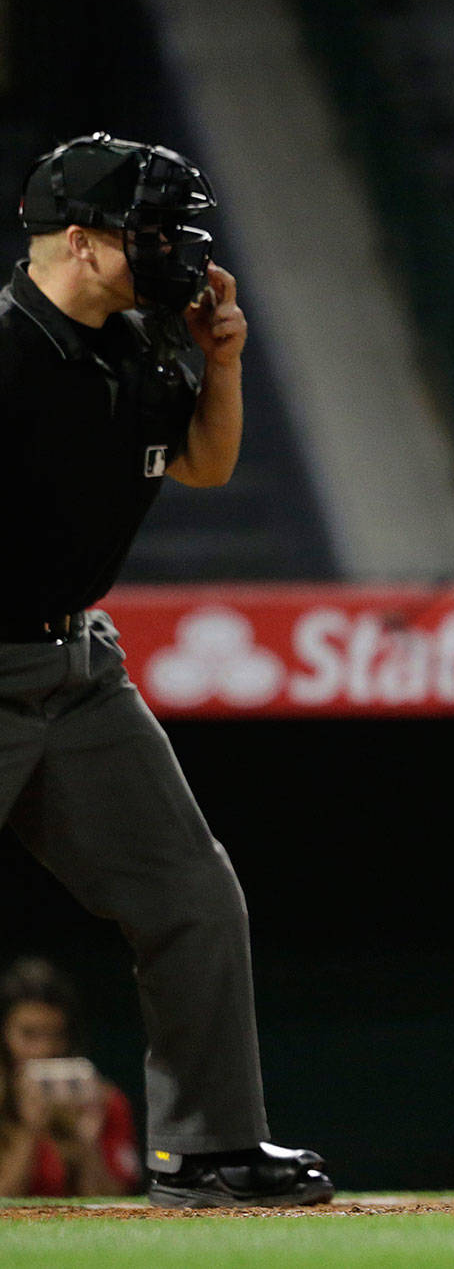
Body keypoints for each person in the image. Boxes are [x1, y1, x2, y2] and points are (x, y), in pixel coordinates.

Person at [0, 135, 329, 1208]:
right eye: (149, 234)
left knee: (191, 894)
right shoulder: (5, 350)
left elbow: (203, 461)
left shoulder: (136, 342)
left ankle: (210, 1147)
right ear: (82, 244)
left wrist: (221, 362)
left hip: (76, 664)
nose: (176, 252)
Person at [0, 957, 138, 1197]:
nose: (44, 1050)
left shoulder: (103, 1101)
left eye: (56, 1034)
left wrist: (88, 1145)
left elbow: (115, 1209)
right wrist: (29, 1132)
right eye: (29, 1034)